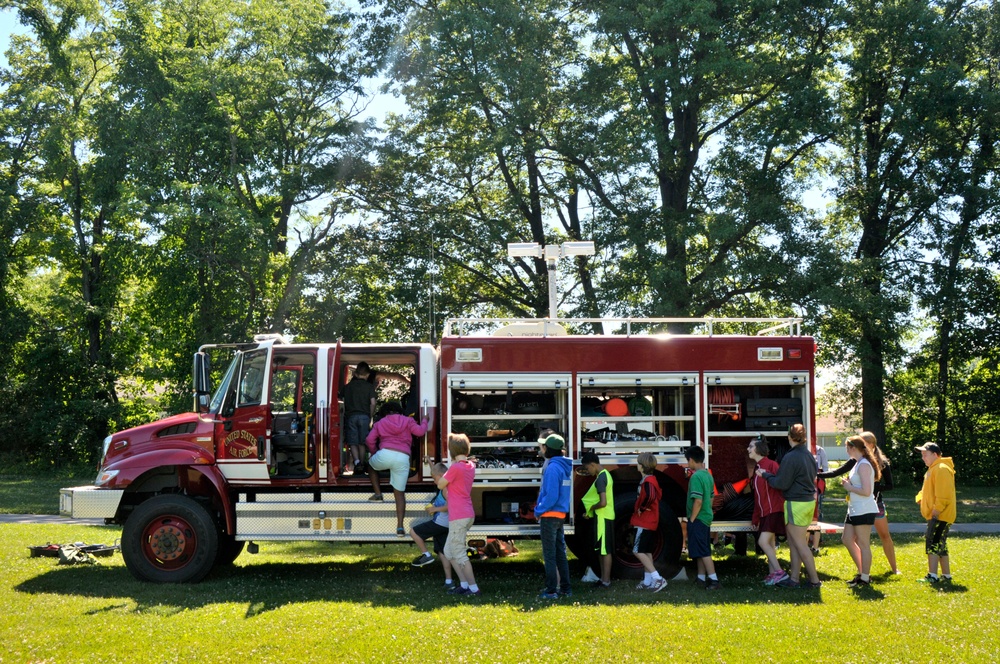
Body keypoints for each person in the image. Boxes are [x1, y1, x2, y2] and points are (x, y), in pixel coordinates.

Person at [819, 431, 898, 573]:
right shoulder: (856, 460)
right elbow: (837, 472)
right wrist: (817, 474)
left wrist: (870, 485)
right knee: (850, 539)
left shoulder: (879, 463)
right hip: (857, 504)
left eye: (864, 443)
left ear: (871, 445)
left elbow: (889, 485)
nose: (861, 446)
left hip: (874, 503)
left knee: (884, 536)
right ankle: (863, 571)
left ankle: (894, 569)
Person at [756, 423, 821, 589]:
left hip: (796, 504)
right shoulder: (808, 455)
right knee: (793, 543)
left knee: (799, 544)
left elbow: (781, 483)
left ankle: (814, 581)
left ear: (789, 437)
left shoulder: (790, 457)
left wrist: (765, 475)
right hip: (807, 503)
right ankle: (794, 579)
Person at [365, 400, 429, 536]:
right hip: (403, 458)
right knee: (399, 494)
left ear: (384, 412)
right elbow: (420, 432)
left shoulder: (380, 423)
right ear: (399, 410)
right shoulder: (408, 421)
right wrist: (424, 420)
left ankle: (378, 494)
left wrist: (374, 452)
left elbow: (369, 440)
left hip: (385, 454)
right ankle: (400, 527)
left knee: (370, 465)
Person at [439, 434, 480, 595]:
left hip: (459, 515)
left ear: (452, 451)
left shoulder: (455, 468)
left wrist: (448, 468)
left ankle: (474, 588)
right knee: (449, 551)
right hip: (466, 512)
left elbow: (441, 483)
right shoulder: (470, 465)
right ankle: (464, 585)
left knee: (460, 554)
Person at [535, 433, 574, 599]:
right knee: (560, 554)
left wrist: (538, 510)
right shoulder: (564, 467)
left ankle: (551, 591)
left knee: (549, 555)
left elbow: (550, 496)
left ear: (548, 449)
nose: (542, 449)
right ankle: (566, 589)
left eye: (543, 446)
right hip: (560, 516)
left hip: (549, 516)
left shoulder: (552, 468)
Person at [839, 435, 881, 587]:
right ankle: (861, 571)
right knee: (846, 539)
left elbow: (867, 491)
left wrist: (850, 487)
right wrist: (849, 483)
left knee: (864, 543)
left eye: (847, 447)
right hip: (854, 509)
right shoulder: (857, 464)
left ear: (853, 448)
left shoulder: (864, 465)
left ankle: (865, 577)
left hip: (864, 509)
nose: (846, 450)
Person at [915, 442, 956, 584]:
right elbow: (926, 490)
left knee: (932, 543)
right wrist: (920, 499)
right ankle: (947, 575)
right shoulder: (933, 469)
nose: (923, 458)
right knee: (940, 545)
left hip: (940, 515)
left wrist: (936, 511)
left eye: (925, 455)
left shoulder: (941, 469)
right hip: (937, 514)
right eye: (922, 455)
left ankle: (932, 575)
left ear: (935, 454)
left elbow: (944, 495)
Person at [409, 462, 455, 589]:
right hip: (445, 525)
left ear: (441, 476)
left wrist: (434, 509)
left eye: (434, 479)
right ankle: (449, 581)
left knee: (414, 532)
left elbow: (451, 506)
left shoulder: (445, 489)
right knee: (443, 553)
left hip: (440, 523)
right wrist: (429, 462)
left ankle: (426, 555)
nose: (434, 482)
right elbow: (437, 471)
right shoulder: (444, 484)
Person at [748, 435, 786, 585]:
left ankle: (779, 572)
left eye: (750, 447)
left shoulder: (771, 465)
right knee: (769, 544)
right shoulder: (757, 469)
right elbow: (758, 496)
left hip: (774, 511)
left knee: (762, 542)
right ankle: (773, 575)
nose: (748, 449)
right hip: (765, 513)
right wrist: (755, 518)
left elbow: (781, 484)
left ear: (758, 449)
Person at [685, 446, 720, 590]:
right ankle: (700, 577)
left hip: (698, 519)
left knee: (704, 551)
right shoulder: (707, 475)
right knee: (700, 549)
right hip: (706, 517)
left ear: (692, 460)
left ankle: (714, 580)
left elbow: (697, 500)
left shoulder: (696, 477)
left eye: (687, 460)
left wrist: (692, 519)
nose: (687, 463)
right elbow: (711, 497)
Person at [631, 452, 667, 592]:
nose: (636, 465)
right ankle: (648, 581)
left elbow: (650, 496)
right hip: (651, 520)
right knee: (646, 551)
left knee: (637, 550)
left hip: (645, 520)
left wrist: (642, 508)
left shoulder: (648, 481)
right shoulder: (651, 479)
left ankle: (657, 578)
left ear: (642, 466)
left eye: (638, 463)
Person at [579, 451, 614, 589]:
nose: (588, 471)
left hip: (602, 517)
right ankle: (603, 579)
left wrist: (591, 508)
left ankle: (606, 581)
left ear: (593, 465)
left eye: (588, 468)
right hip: (606, 516)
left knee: (604, 550)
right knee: (601, 550)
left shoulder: (600, 479)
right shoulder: (606, 474)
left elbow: (603, 502)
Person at [343, 362, 376, 474]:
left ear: (356, 374)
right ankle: (362, 463)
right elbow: (372, 403)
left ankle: (356, 462)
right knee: (362, 442)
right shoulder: (369, 387)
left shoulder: (348, 387)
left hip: (351, 416)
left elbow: (339, 397)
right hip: (364, 416)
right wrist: (370, 415)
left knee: (352, 442)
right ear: (367, 375)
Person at [808, 443, 829, 554]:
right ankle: (808, 545)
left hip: (816, 485)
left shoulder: (820, 450)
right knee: (812, 515)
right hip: (811, 485)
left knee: (816, 515)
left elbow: (825, 469)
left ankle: (815, 546)